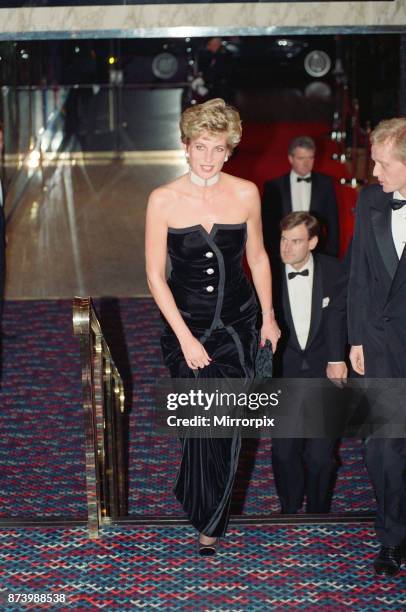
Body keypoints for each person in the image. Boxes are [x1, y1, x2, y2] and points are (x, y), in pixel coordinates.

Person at [145, 98, 280, 555]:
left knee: (223, 424)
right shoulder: (162, 198)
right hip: (184, 328)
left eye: (218, 149)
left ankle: (210, 525)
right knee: (196, 426)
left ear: (229, 150)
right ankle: (198, 497)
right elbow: (153, 275)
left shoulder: (245, 193)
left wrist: (270, 318)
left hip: (238, 327)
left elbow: (259, 257)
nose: (208, 158)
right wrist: (184, 339)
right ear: (185, 147)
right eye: (200, 147)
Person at [348, 117, 406, 577]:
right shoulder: (369, 200)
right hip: (380, 345)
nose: (374, 172)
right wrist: (356, 338)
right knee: (382, 448)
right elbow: (358, 277)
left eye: (383, 163)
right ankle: (391, 538)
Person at [271, 212, 347, 514]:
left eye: (296, 241)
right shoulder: (268, 273)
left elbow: (345, 320)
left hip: (324, 373)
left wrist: (339, 359)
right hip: (284, 374)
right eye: (283, 240)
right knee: (284, 452)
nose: (286, 249)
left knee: (320, 456)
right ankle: (288, 510)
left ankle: (318, 511)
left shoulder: (335, 271)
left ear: (313, 242)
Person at [262, 136, 339, 259]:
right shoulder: (274, 186)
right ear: (290, 158)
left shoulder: (325, 183)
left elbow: (332, 221)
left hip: (317, 251)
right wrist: (272, 255)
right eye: (301, 158)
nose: (306, 163)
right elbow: (268, 225)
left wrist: (331, 255)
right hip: (285, 251)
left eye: (310, 158)